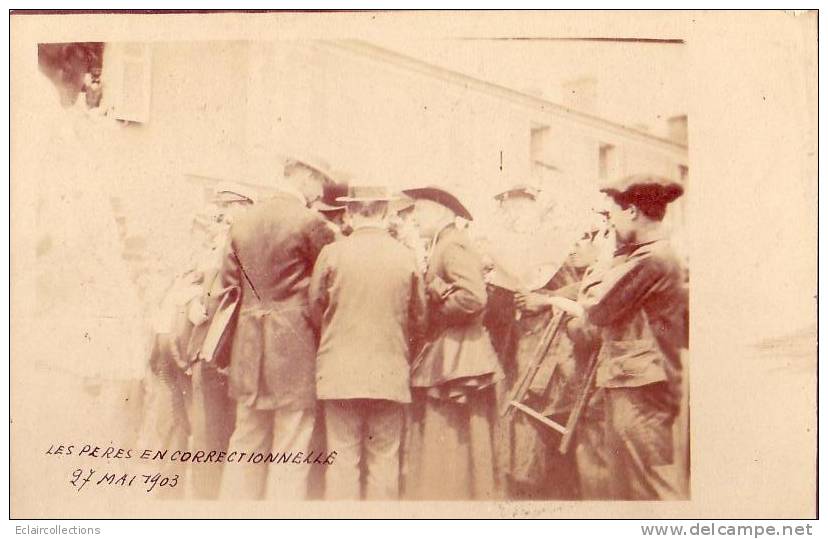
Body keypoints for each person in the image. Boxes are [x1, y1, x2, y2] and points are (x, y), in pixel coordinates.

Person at [200, 157, 337, 500]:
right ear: (304, 175)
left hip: (249, 347)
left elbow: (227, 291)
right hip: (295, 346)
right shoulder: (312, 223)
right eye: (319, 180)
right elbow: (326, 289)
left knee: (246, 439)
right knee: (291, 444)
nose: (321, 189)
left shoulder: (242, 222)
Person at [561, 173, 688, 500]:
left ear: (631, 211)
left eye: (613, 215)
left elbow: (598, 308)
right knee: (633, 483)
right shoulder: (650, 255)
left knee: (647, 488)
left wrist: (602, 262)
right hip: (639, 382)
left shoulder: (651, 259)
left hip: (641, 389)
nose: (611, 225)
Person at [308, 185, 425, 500]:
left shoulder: (332, 254)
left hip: (340, 372)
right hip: (388, 373)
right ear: (387, 214)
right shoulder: (405, 257)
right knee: (384, 461)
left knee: (342, 462)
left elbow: (314, 308)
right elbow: (419, 319)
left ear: (348, 213)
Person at [402, 186, 503, 500]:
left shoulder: (452, 244)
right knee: (452, 440)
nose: (414, 219)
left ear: (440, 212)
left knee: (450, 438)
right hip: (455, 352)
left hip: (458, 356)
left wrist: (434, 309)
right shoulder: (445, 243)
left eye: (419, 211)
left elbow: (473, 297)